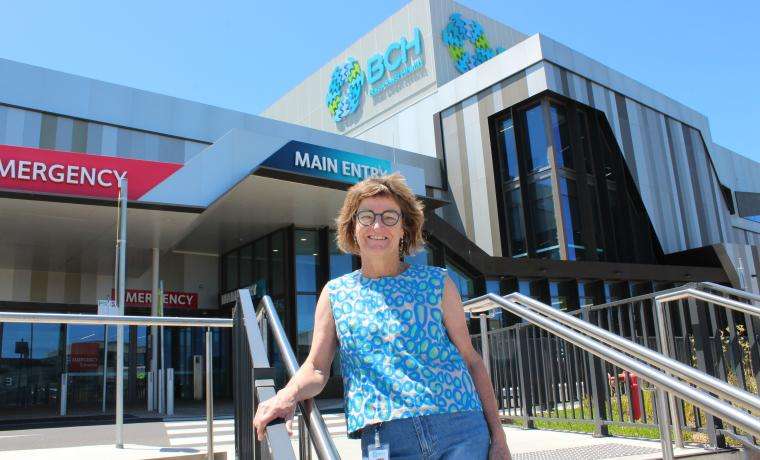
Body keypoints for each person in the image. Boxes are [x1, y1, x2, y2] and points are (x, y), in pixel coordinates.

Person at [253, 172, 512, 459]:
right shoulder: (335, 293)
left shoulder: (438, 282)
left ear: (404, 229)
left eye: (390, 217)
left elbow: (470, 359)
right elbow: (316, 368)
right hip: (387, 441)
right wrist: (285, 396)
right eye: (366, 216)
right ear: (353, 226)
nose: (378, 225)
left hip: (461, 428)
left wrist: (498, 436)